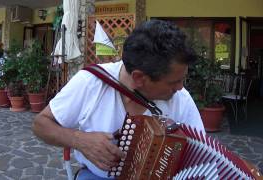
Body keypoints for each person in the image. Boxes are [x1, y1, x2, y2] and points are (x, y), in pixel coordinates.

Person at [32, 20, 205, 179]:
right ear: (139, 78)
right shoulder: (90, 82)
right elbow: (41, 123)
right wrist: (80, 140)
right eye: (174, 82)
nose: (181, 87)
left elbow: (201, 156)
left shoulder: (181, 99)